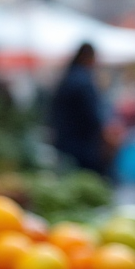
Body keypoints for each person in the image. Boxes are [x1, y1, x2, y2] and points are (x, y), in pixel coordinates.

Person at [50, 43, 106, 173]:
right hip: (82, 145)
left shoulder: (67, 77)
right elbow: (93, 116)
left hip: (65, 142)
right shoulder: (83, 81)